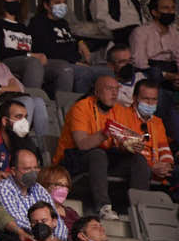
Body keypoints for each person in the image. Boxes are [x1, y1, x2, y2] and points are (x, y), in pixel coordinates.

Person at [54, 74, 140, 221]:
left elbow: (129, 140)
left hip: (105, 157)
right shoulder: (81, 107)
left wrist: (131, 144)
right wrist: (106, 133)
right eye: (109, 89)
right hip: (73, 159)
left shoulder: (120, 110)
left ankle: (138, 211)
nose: (114, 93)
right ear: (96, 92)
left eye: (116, 89)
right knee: (98, 154)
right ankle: (103, 207)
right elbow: (82, 144)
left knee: (138, 160)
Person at [29, 0, 101, 95]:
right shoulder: (38, 23)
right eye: (57, 2)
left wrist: (81, 43)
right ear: (46, 5)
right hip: (57, 64)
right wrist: (74, 62)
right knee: (84, 72)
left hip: (76, 62)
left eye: (64, 2)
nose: (62, 5)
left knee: (107, 72)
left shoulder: (63, 23)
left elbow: (71, 38)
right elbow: (47, 50)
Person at [108, 79, 177, 189]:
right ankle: (139, 204)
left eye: (154, 99)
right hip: (128, 163)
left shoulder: (157, 122)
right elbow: (120, 145)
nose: (150, 103)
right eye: (146, 99)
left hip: (155, 168)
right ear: (135, 98)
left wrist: (166, 165)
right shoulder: (121, 114)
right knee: (140, 163)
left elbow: (164, 149)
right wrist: (151, 167)